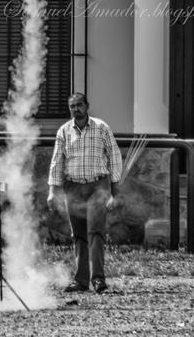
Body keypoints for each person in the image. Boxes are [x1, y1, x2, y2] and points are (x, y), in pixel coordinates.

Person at [47, 92, 122, 294]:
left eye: (79, 105)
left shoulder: (101, 127)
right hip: (73, 187)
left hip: (98, 187)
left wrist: (115, 191)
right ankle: (81, 281)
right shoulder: (64, 131)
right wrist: (52, 192)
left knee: (95, 232)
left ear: (87, 106)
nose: (76, 109)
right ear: (69, 109)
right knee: (78, 235)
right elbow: (57, 162)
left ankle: (98, 279)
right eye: (72, 106)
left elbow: (114, 157)